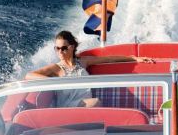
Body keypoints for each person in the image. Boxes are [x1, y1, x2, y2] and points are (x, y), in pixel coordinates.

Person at [25, 31, 154, 108]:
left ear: (72, 47)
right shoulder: (56, 68)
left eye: (63, 48)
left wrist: (133, 58)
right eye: (57, 48)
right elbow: (29, 75)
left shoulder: (83, 62)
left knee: (96, 103)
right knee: (96, 102)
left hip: (84, 105)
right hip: (67, 107)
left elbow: (109, 59)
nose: (60, 52)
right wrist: (52, 81)